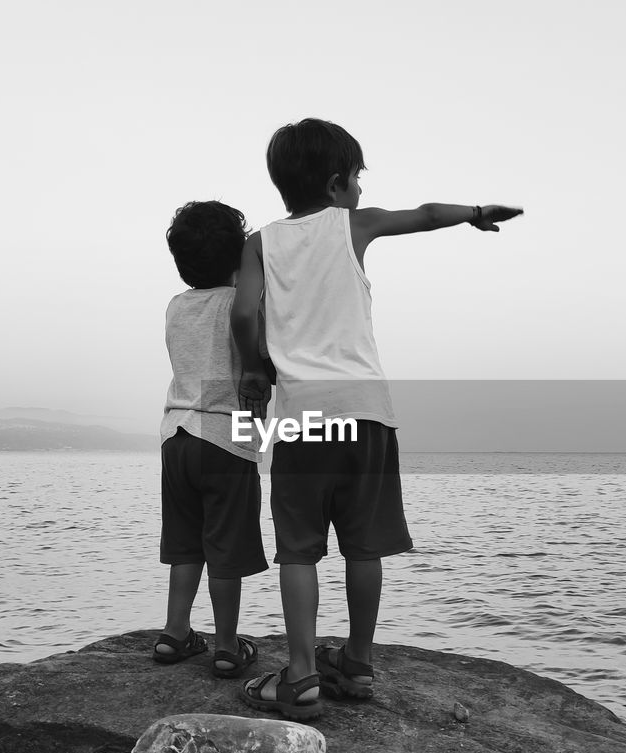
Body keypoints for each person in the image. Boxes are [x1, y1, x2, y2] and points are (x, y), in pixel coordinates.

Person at [230, 118, 523, 720]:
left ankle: (303, 675)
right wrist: (474, 211)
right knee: (364, 547)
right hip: (367, 414)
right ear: (338, 183)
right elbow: (423, 213)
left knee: (298, 552)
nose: (361, 190)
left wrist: (257, 369)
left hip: (302, 419)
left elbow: (241, 316)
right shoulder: (354, 225)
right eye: (358, 178)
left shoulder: (259, 243)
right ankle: (359, 664)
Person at [154, 200, 267, 679]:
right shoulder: (241, 306)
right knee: (225, 550)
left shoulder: (176, 307)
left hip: (176, 433)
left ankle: (174, 634)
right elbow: (261, 359)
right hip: (227, 435)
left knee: (185, 544)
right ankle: (225, 646)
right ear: (238, 257)